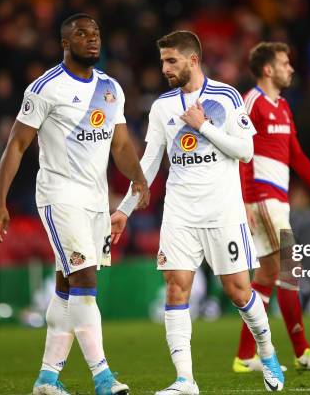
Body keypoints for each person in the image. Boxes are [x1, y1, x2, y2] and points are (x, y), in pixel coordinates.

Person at [113, 30, 285, 394]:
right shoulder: (162, 107)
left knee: (238, 291)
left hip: (223, 210)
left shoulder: (226, 95)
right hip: (179, 211)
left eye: (171, 60)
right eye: (162, 61)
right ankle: (185, 380)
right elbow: (149, 163)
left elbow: (246, 151)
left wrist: (203, 125)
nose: (164, 68)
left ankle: (268, 352)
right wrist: (124, 210)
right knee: (176, 289)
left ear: (193, 60)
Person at [0, 13, 149, 395]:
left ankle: (46, 379)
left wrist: (137, 177)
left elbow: (121, 145)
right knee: (85, 280)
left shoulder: (111, 88)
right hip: (59, 197)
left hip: (95, 200)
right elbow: (18, 144)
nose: (92, 39)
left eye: (96, 33)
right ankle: (103, 377)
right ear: (65, 42)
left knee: (66, 286)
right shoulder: (45, 88)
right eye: (81, 34)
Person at [234, 42, 310, 372]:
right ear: (268, 69)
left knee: (267, 276)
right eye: (285, 63)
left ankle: (244, 357)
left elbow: (296, 156)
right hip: (261, 199)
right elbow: (242, 154)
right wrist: (243, 200)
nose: (291, 69)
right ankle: (302, 352)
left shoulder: (282, 107)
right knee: (290, 267)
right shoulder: (251, 103)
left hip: (278, 200)